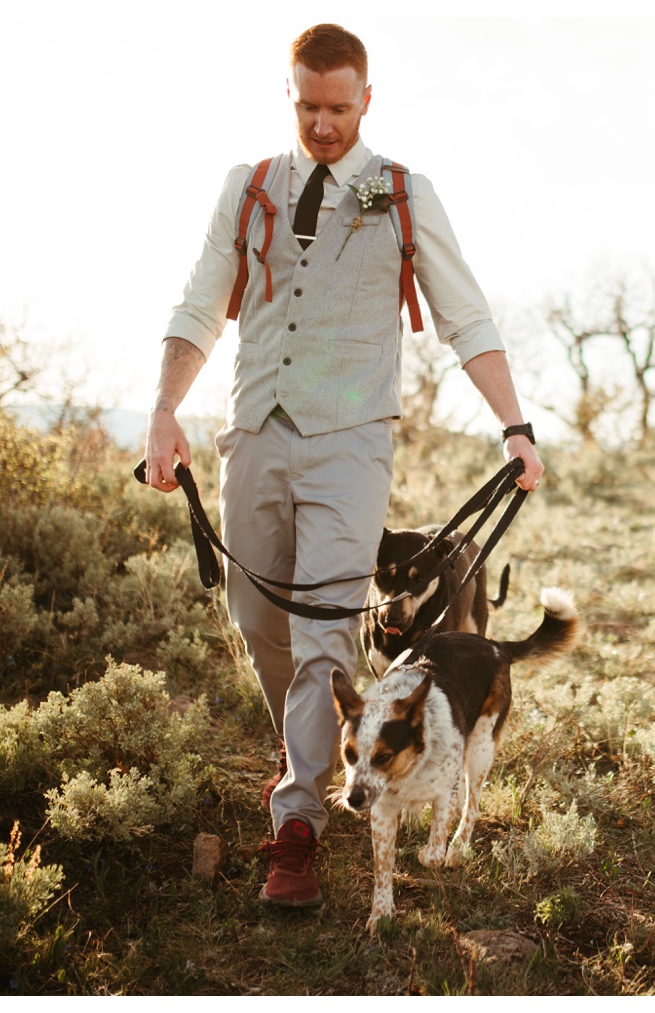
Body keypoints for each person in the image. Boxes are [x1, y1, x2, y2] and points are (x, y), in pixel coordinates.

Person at [143, 24, 543, 908]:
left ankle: (298, 828)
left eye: (340, 107)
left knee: (326, 627)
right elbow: (200, 304)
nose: (324, 124)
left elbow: (466, 317)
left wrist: (515, 425)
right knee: (257, 620)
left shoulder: (404, 193)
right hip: (254, 429)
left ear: (367, 99)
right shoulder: (246, 188)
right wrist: (166, 409)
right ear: (289, 95)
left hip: (353, 439)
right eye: (309, 106)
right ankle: (310, 753)